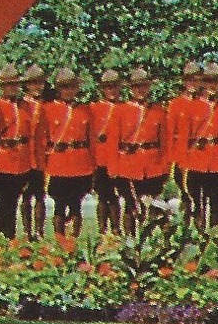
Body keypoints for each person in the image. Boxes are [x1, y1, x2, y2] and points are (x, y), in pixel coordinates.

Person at [39, 68, 95, 238]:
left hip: (80, 162)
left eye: (72, 87)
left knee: (76, 204)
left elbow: (91, 138)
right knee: (59, 204)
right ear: (58, 89)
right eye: (65, 87)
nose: (69, 91)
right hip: (58, 162)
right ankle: (59, 239)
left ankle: (74, 240)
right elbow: (42, 138)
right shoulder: (48, 109)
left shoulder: (85, 109)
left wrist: (93, 164)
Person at [182, 63, 218, 231]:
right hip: (197, 160)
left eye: (216, 82)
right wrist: (184, 163)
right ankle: (199, 239)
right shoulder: (192, 106)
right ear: (203, 84)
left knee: (216, 207)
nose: (212, 86)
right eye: (208, 82)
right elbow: (184, 138)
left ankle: (214, 241)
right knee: (198, 206)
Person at [113, 68, 168, 234]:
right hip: (129, 165)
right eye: (136, 87)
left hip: (152, 166)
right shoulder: (120, 110)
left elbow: (164, 143)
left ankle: (149, 242)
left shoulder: (159, 111)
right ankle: (130, 241)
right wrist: (114, 169)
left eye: (144, 86)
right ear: (130, 89)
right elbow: (113, 143)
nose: (140, 90)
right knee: (131, 206)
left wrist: (164, 167)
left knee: (150, 206)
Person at [0, 65, 35, 238]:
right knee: (3, 204)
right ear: (2, 87)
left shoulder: (26, 107)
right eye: (8, 85)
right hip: (2, 160)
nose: (12, 88)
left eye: (15, 84)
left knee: (14, 203)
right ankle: (0, 238)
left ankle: (10, 238)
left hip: (21, 162)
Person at [88, 69, 126, 234]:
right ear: (102, 89)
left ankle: (117, 229)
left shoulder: (126, 108)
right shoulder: (93, 109)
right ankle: (103, 230)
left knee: (118, 196)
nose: (112, 90)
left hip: (121, 158)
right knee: (104, 196)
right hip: (101, 157)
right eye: (108, 87)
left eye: (115, 86)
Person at [165, 61, 203, 219]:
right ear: (183, 81)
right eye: (189, 80)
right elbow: (169, 134)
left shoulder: (204, 104)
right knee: (186, 196)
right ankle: (185, 231)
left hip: (202, 156)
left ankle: (202, 233)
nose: (192, 83)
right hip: (182, 159)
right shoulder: (176, 104)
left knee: (201, 197)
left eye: (196, 79)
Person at [18, 65, 50, 240]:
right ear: (27, 85)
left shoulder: (47, 105)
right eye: (33, 83)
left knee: (40, 195)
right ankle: (27, 231)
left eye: (40, 83)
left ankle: (39, 231)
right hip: (24, 156)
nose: (38, 86)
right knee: (25, 195)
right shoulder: (22, 105)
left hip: (41, 157)